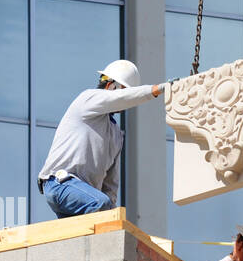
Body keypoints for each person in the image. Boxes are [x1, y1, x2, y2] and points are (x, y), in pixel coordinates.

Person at [38, 59, 164, 218]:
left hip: (84, 196)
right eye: (124, 91)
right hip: (60, 184)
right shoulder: (88, 100)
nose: (126, 102)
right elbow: (121, 98)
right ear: (112, 86)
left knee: (103, 218)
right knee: (101, 204)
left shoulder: (116, 135)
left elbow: (111, 184)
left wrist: (112, 216)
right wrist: (156, 90)